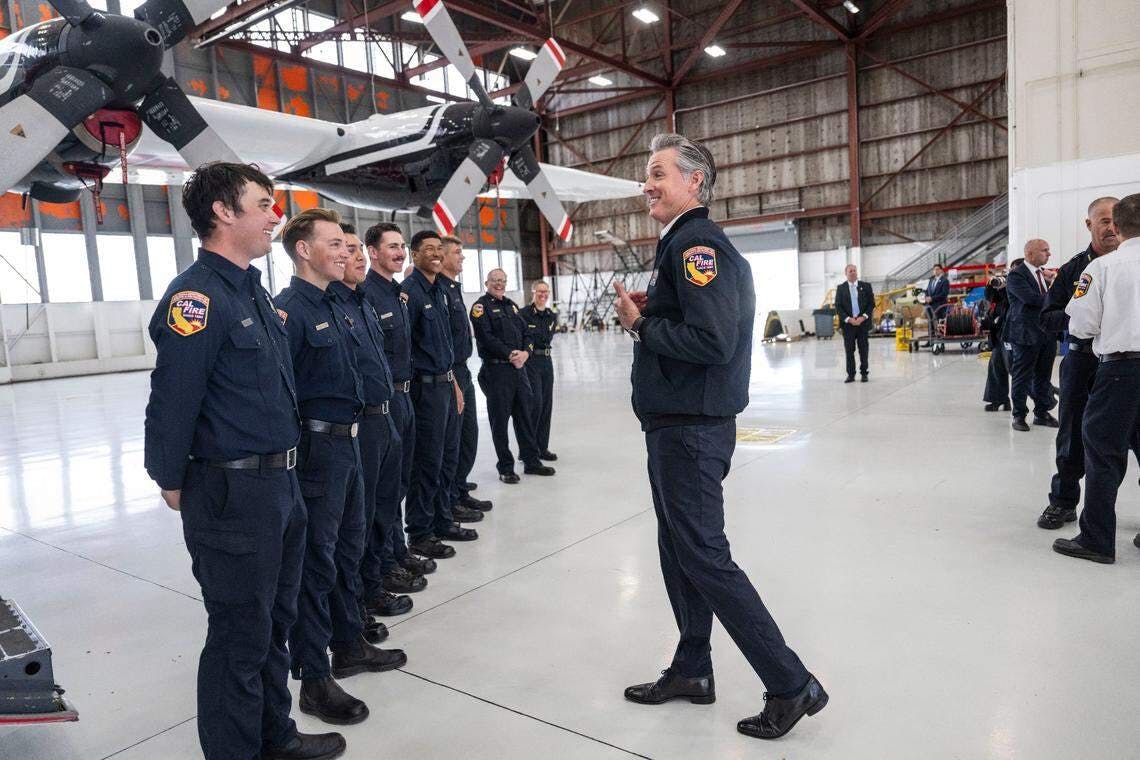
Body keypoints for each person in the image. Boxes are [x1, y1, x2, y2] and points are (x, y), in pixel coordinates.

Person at [613, 133, 825, 741]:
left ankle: (790, 683)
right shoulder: (682, 244)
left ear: (694, 181)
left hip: (690, 429)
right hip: (677, 425)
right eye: (647, 174)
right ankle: (692, 667)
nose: (647, 185)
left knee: (704, 555)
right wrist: (655, 312)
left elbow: (713, 341)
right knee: (679, 549)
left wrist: (641, 324)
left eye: (658, 173)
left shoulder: (696, 244)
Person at [144, 162, 345, 760]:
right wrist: (170, 477)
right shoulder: (196, 298)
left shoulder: (251, 290)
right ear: (223, 212)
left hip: (281, 485)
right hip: (232, 493)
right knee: (239, 634)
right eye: (262, 204)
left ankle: (274, 736)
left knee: (275, 623)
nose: (274, 216)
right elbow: (173, 398)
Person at [275, 209, 406, 727]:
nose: (344, 252)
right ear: (304, 250)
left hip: (350, 444)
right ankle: (313, 676)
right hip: (317, 452)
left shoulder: (340, 305)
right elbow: (281, 395)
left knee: (349, 551)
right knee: (317, 563)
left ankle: (348, 642)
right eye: (333, 243)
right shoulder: (290, 312)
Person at [333, 223, 420, 653]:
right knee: (359, 519)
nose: (355, 258)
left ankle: (377, 576)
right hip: (359, 422)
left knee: (387, 499)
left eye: (355, 250)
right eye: (346, 249)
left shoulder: (363, 302)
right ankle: (363, 595)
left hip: (387, 409)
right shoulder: (337, 305)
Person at [1052, 193, 1140, 563]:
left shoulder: (1102, 268)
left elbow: (1082, 326)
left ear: (1117, 227)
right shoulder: (1083, 266)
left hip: (1120, 370)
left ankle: (1097, 539)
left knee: (1103, 453)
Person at [360, 223, 437, 597]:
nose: (400, 252)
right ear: (373, 252)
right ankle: (384, 564)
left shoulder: (397, 293)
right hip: (384, 401)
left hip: (405, 398)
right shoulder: (367, 295)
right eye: (392, 246)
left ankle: (396, 550)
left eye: (402, 245)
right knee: (384, 490)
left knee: (400, 482)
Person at [1036, 199, 1120, 528]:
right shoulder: (1074, 270)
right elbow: (1047, 317)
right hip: (1082, 360)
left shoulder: (1133, 265)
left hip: (1125, 364)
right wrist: (1082, 318)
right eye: (1104, 221)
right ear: (1089, 225)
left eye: (1116, 220)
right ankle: (1063, 502)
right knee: (1071, 435)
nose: (1111, 227)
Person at [401, 230, 477, 559]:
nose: (435, 254)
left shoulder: (440, 291)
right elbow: (405, 348)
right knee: (426, 463)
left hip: (446, 383)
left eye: (437, 249)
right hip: (425, 389)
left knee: (447, 457)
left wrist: (454, 384)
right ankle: (420, 533)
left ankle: (442, 520)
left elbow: (447, 347)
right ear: (414, 255)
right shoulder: (410, 293)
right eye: (428, 249)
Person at [470, 268, 556, 483]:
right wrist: (509, 354)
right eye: (495, 280)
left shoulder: (512, 306)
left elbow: (527, 333)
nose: (499, 284)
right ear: (487, 283)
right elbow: (485, 338)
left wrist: (526, 353)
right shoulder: (480, 307)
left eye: (503, 280)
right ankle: (506, 468)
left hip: (519, 370)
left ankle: (531, 461)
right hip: (497, 371)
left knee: (525, 416)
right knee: (499, 421)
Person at [438, 236, 492, 518]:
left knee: (468, 436)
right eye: (457, 252)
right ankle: (451, 499)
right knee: (454, 440)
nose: (462, 257)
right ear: (444, 256)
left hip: (463, 368)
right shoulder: (440, 291)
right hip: (451, 372)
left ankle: (459, 489)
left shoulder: (453, 289)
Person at [1005, 238, 1059, 431]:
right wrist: (1058, 295)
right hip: (1026, 335)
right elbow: (1031, 299)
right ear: (1030, 253)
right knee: (1022, 376)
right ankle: (1019, 415)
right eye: (1044, 250)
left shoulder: (1042, 274)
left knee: (1044, 376)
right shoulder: (1016, 276)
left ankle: (1041, 413)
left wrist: (1052, 282)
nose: (1049, 254)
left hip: (1046, 333)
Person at [520, 280, 559, 461]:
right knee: (534, 405)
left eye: (545, 292)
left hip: (546, 362)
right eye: (539, 292)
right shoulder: (524, 314)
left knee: (546, 406)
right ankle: (528, 450)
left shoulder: (551, 315)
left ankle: (542, 447)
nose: (543, 295)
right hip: (531, 362)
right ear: (533, 292)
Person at [981, 260, 1019, 411]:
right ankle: (999, 399)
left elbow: (1015, 302)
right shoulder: (1005, 283)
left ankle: (1043, 400)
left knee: (1015, 370)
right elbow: (991, 298)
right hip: (999, 333)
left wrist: (1007, 287)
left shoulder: (1023, 284)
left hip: (1013, 334)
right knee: (996, 367)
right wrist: (991, 285)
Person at [834, 264, 874, 383]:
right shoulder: (841, 288)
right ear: (846, 273)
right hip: (848, 325)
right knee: (849, 351)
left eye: (854, 270)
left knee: (864, 350)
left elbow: (871, 304)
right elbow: (838, 306)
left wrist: (863, 317)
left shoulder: (866, 286)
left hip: (863, 324)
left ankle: (864, 373)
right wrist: (849, 319)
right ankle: (851, 375)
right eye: (850, 271)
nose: (853, 272)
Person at [921, 264, 950, 346]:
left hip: (940, 305)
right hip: (930, 305)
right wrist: (926, 297)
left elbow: (944, 294)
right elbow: (927, 291)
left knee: (940, 323)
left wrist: (932, 298)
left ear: (941, 270)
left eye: (937, 269)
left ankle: (941, 341)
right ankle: (930, 340)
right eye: (934, 270)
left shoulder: (945, 281)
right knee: (930, 323)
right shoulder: (931, 280)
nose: (935, 271)